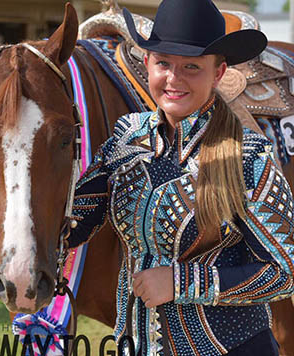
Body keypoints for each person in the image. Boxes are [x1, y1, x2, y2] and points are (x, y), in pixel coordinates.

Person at [67, 0, 294, 355]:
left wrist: (179, 283)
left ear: (218, 73)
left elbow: (282, 273)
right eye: (163, 64)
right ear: (147, 64)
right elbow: (74, 224)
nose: (174, 79)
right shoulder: (125, 141)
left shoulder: (248, 157)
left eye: (191, 67)